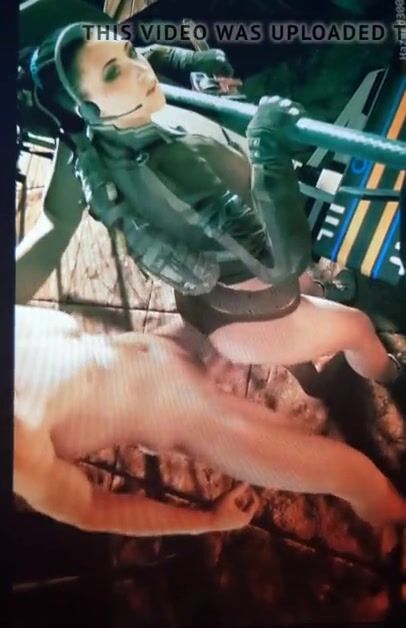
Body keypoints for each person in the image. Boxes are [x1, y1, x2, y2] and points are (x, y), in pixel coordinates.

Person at [18, 22, 404, 389]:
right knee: (356, 327)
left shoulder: (100, 135)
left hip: (219, 283)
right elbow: (282, 261)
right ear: (87, 109)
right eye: (113, 72)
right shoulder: (170, 168)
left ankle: (312, 365)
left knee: (307, 291)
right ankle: (391, 373)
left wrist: (190, 60)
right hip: (250, 311)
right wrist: (266, 146)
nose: (140, 69)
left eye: (128, 51)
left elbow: (150, 54)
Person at [14, 304, 406, 539]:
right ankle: (395, 513)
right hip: (190, 417)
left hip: (165, 345)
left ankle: (375, 371)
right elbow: (89, 509)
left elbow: (49, 234)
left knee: (309, 304)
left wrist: (62, 210)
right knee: (354, 475)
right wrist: (207, 521)